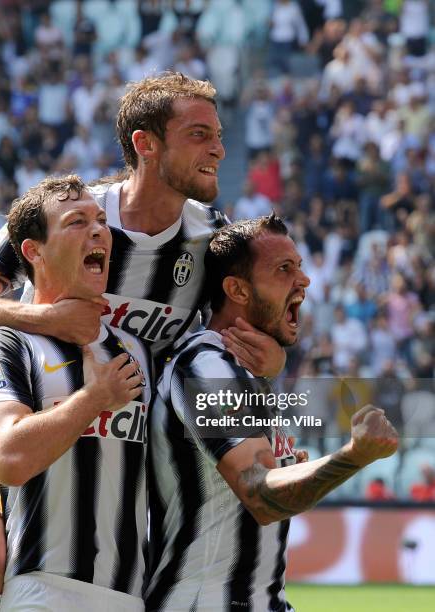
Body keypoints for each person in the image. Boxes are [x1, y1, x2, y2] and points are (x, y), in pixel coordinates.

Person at [0, 73, 286, 604]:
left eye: (217, 133)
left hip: (123, 438)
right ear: (146, 144)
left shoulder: (210, 237)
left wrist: (272, 356)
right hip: (32, 411)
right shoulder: (73, 218)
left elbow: (241, 330)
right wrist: (49, 321)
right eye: (198, 134)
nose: (219, 148)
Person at [146, 215, 399, 611]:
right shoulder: (205, 368)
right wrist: (354, 455)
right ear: (237, 290)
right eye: (284, 269)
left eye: (299, 266)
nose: (304, 280)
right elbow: (261, 496)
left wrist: (289, 466)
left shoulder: (245, 374)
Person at [0, 175, 150, 612]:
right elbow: (9, 457)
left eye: (100, 220)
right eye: (77, 222)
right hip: (41, 592)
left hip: (127, 597)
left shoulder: (138, 351)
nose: (99, 230)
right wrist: (95, 398)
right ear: (33, 252)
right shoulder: (7, 342)